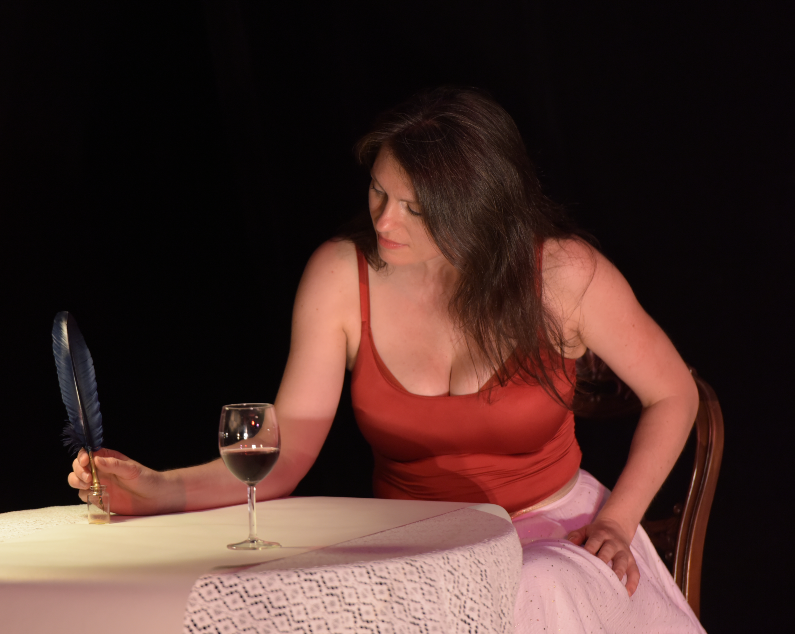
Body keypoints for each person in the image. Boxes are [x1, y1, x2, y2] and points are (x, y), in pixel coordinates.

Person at [69, 87, 704, 633]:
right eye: (378, 191)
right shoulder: (340, 276)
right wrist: (161, 489)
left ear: (477, 211)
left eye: (414, 209)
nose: (383, 220)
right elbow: (283, 456)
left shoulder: (563, 275)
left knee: (528, 586)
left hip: (555, 540)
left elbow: (674, 393)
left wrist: (618, 522)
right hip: (423, 550)